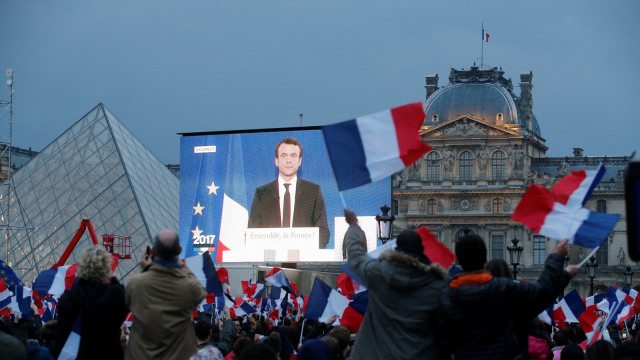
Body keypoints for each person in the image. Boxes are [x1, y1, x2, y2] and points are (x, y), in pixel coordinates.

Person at [438, 234, 580, 360]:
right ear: (485, 258)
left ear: (458, 259)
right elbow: (542, 292)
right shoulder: (504, 288)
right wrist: (557, 260)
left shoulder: (446, 297)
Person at [343, 209, 447, 360]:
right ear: (422, 251)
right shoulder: (437, 285)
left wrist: (353, 225)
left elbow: (356, 256)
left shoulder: (377, 274)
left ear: (396, 250)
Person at [125, 230, 207, 360]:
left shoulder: (135, 283)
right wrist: (177, 261)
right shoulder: (189, 286)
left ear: (154, 252)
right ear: (179, 251)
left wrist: (147, 268)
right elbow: (200, 291)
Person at [248, 137, 330, 248]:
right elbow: (252, 234)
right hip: (271, 262)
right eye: (283, 155)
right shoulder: (261, 194)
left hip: (303, 261)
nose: (288, 160)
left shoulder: (313, 192)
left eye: (293, 155)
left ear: (299, 161)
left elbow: (323, 233)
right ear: (276, 161)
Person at [53, 246, 127, 359]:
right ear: (106, 270)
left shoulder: (70, 297)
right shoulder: (116, 295)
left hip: (81, 354)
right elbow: (121, 291)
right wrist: (111, 275)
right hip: (110, 354)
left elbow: (61, 336)